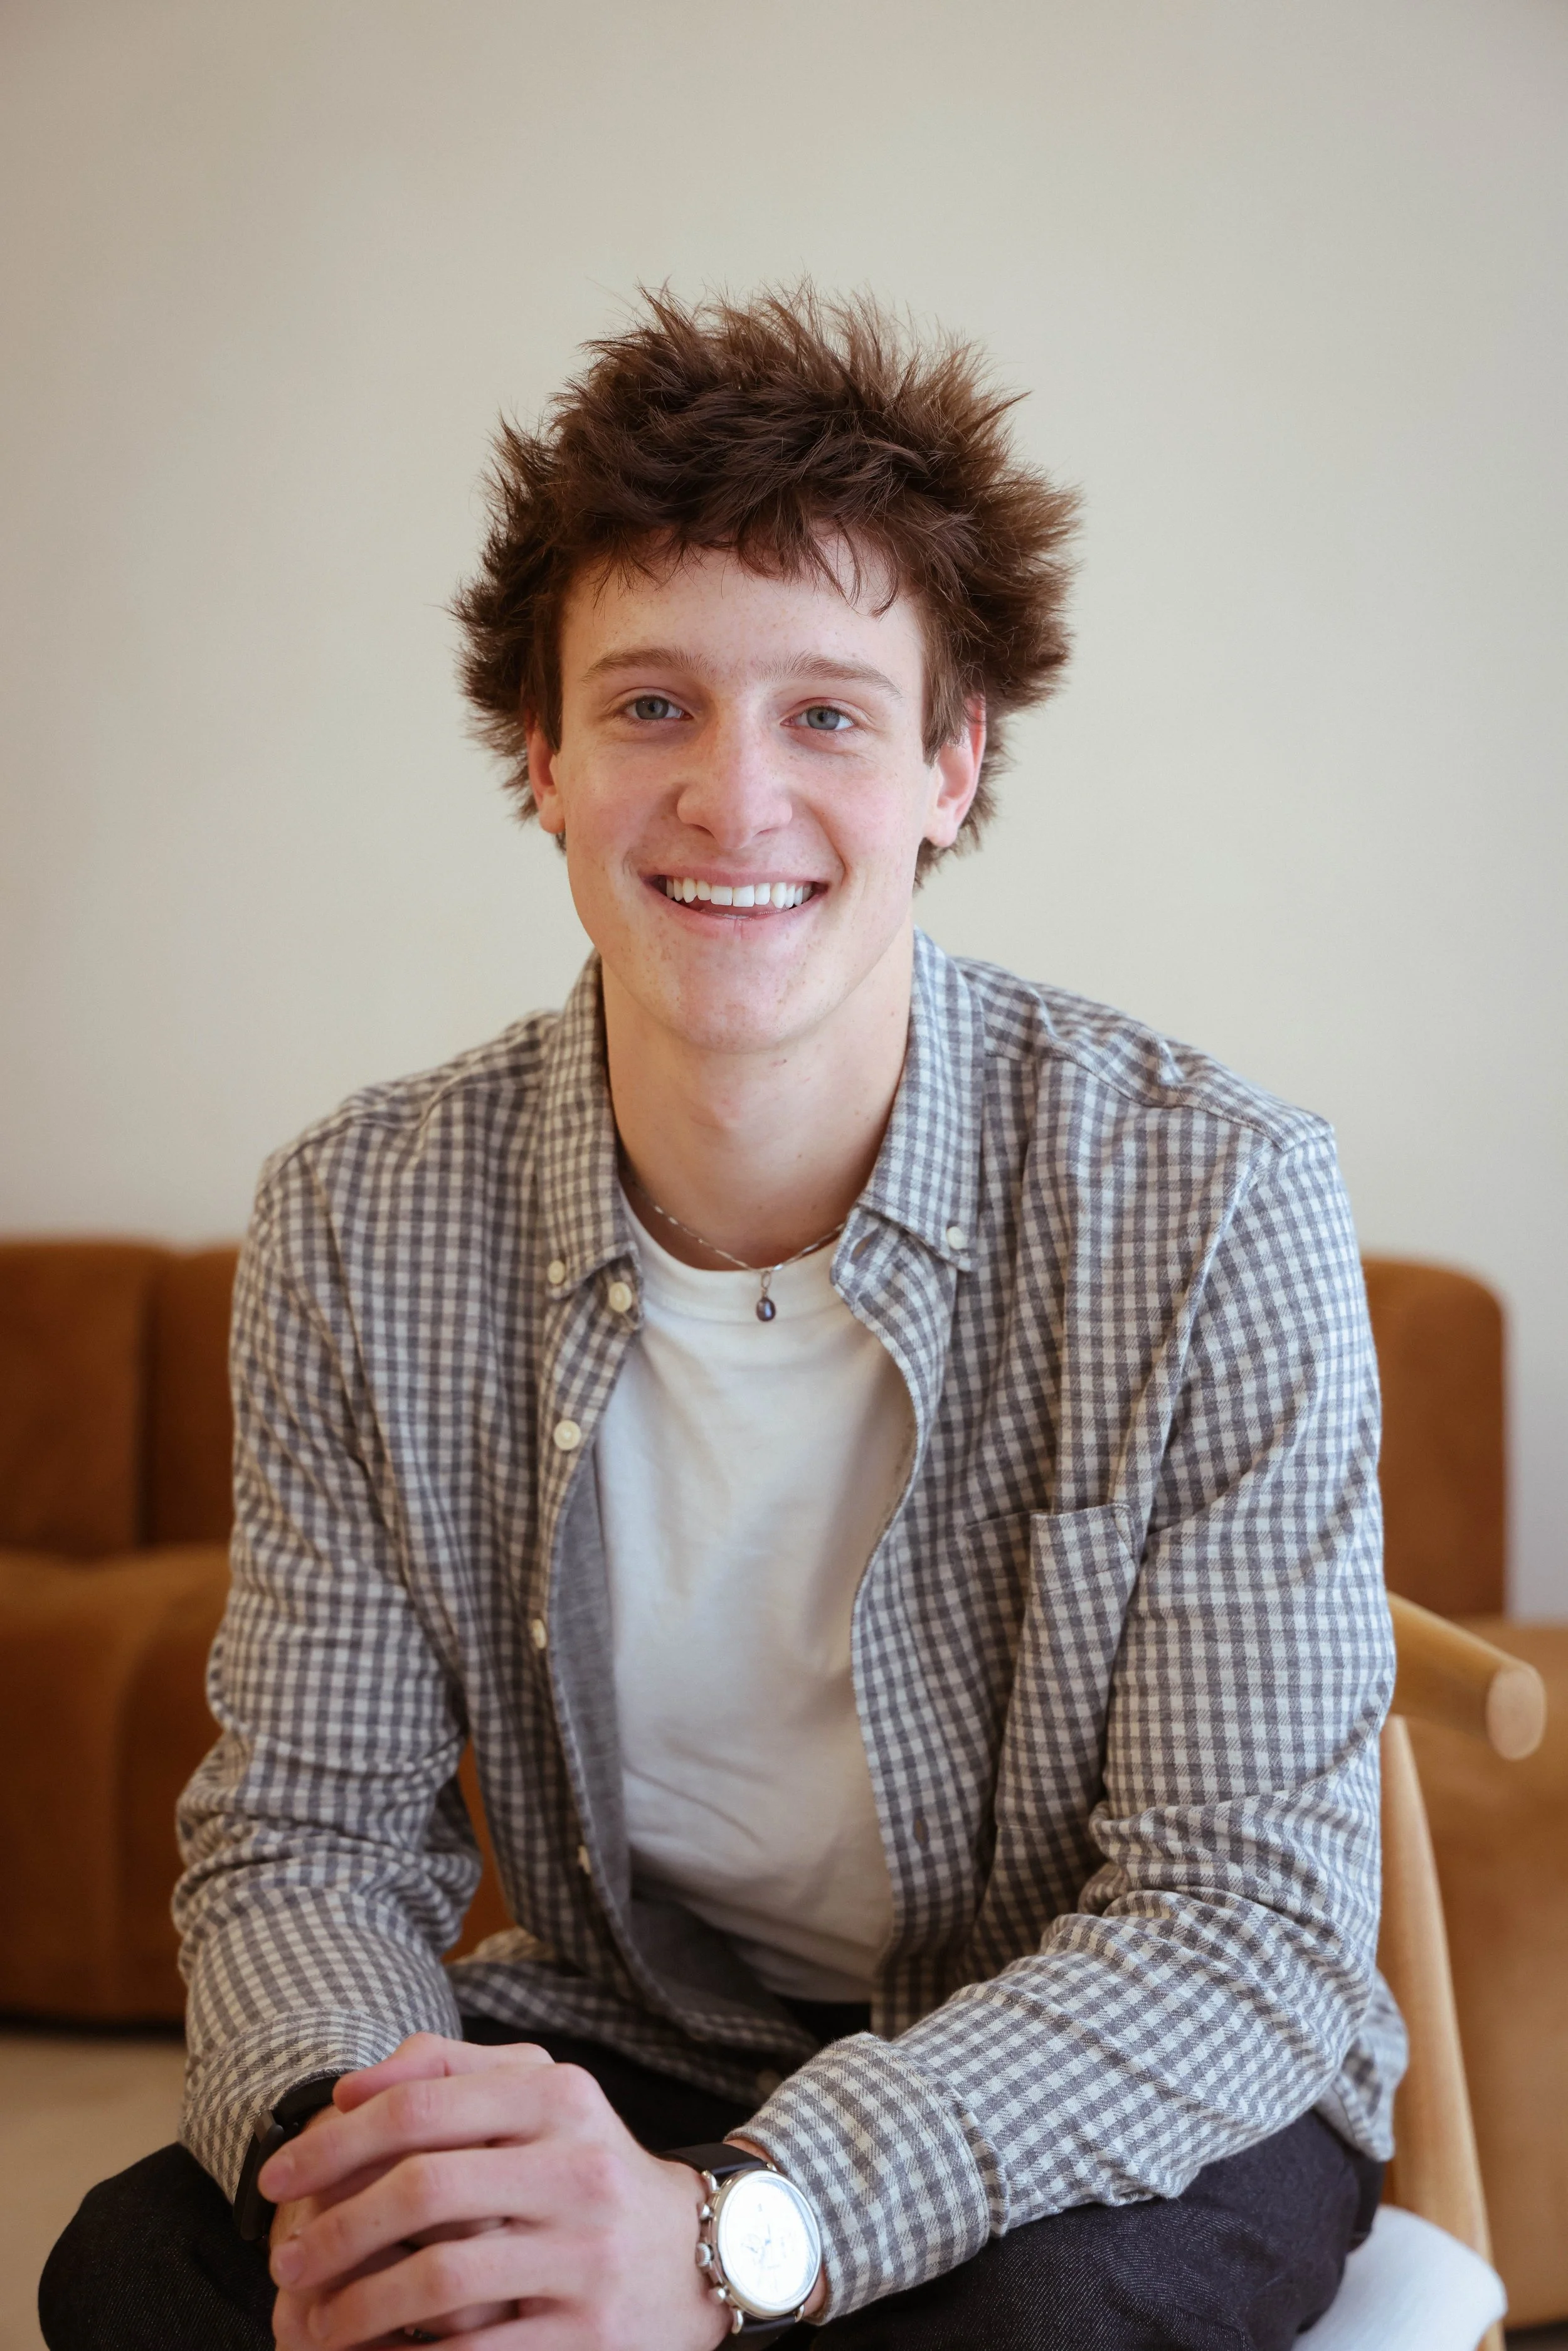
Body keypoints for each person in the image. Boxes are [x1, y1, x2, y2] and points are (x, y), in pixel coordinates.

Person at [41, 287, 1402, 2351]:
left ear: (953, 762)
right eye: (652, 704)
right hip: (642, 2030)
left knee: (1024, 2323)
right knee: (143, 2270)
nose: (733, 800)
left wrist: (732, 2238)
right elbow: (310, 1835)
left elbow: (1239, 1927)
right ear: (545, 755)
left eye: (829, 714)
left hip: (1111, 2074)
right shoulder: (356, 1215)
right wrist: (385, 2166)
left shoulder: (1215, 1196)